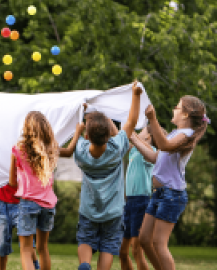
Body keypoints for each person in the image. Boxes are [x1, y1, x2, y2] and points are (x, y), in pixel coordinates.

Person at [0, 121, 84, 270]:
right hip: (48, 205)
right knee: (42, 248)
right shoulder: (51, 149)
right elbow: (68, 151)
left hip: (28, 204)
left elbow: (12, 183)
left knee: (26, 250)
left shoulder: (19, 149)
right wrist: (78, 131)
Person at [130, 96, 209, 270]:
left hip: (172, 195)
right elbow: (153, 157)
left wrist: (153, 119)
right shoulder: (175, 133)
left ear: (186, 114)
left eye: (177, 107)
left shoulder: (185, 135)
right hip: (160, 193)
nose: (174, 109)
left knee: (159, 243)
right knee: (144, 239)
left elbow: (164, 145)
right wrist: (133, 138)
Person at [74, 81, 142, 270]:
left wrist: (81, 114)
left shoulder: (80, 153)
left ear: (86, 136)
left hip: (89, 210)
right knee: (109, 245)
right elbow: (131, 122)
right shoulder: (116, 148)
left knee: (86, 239)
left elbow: (77, 131)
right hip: (113, 211)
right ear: (109, 135)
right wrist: (135, 95)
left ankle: (85, 264)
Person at [119, 125, 158, 270]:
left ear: (148, 137)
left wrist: (135, 138)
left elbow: (149, 154)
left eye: (142, 130)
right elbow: (124, 135)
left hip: (141, 201)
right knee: (122, 251)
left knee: (136, 250)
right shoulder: (134, 150)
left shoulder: (151, 152)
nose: (137, 131)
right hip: (128, 202)